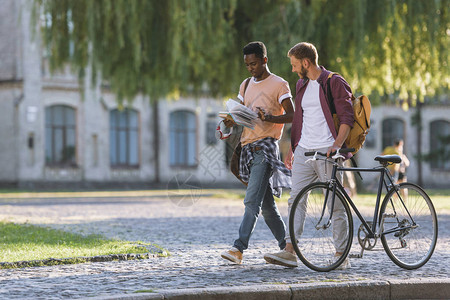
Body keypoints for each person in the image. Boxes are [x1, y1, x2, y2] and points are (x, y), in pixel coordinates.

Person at [264, 42, 355, 269]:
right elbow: (299, 120)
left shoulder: (333, 82)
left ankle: (341, 253)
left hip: (327, 152)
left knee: (335, 203)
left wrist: (337, 145)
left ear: (306, 62)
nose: (293, 69)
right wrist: (293, 148)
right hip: (305, 150)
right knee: (296, 200)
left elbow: (347, 119)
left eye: (295, 65)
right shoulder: (301, 84)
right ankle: (290, 251)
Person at [220, 41, 294, 265]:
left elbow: (293, 115)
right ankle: (289, 250)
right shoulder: (245, 85)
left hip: (265, 149)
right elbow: (240, 113)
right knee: (269, 209)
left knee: (252, 201)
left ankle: (238, 248)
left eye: (254, 63)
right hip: (247, 149)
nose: (251, 68)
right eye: (247, 65)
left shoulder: (279, 84)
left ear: (264, 60)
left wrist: (269, 118)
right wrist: (230, 120)